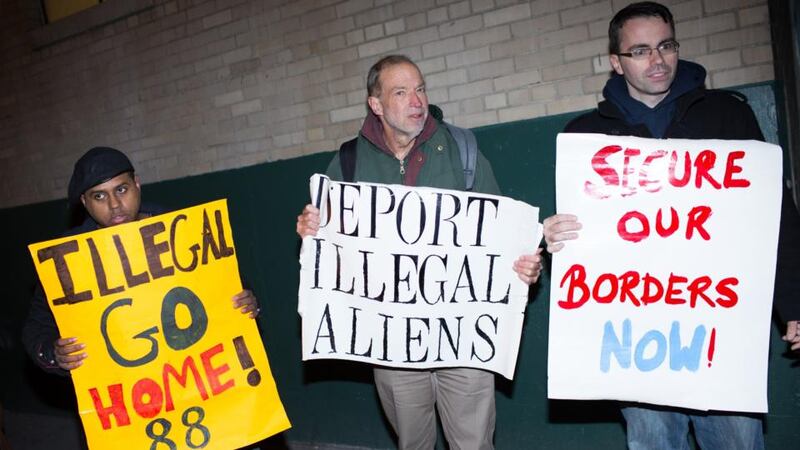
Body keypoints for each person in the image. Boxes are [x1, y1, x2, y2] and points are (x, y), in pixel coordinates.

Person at [543, 2, 769, 449]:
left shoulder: (727, 115)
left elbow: (771, 213)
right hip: (637, 335)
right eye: (641, 50)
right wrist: (555, 238)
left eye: (666, 46)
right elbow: (582, 236)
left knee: (738, 440)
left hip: (720, 324)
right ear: (616, 62)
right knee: (653, 441)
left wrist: (795, 303)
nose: (658, 60)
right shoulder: (586, 137)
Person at [296, 55, 543, 449]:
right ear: (375, 105)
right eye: (401, 92)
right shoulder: (347, 162)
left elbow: (502, 237)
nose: (417, 101)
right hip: (392, 340)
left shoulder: (462, 151)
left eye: (421, 89)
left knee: (474, 443)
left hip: (463, 335)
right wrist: (312, 232)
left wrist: (525, 266)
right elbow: (331, 250)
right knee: (413, 443)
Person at [22, 146, 260, 374]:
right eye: (99, 196)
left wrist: (248, 301)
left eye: (121, 190)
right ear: (85, 202)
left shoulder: (178, 229)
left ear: (137, 184)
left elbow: (230, 284)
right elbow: (36, 329)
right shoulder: (66, 258)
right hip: (126, 396)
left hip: (198, 377)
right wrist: (55, 354)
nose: (114, 205)